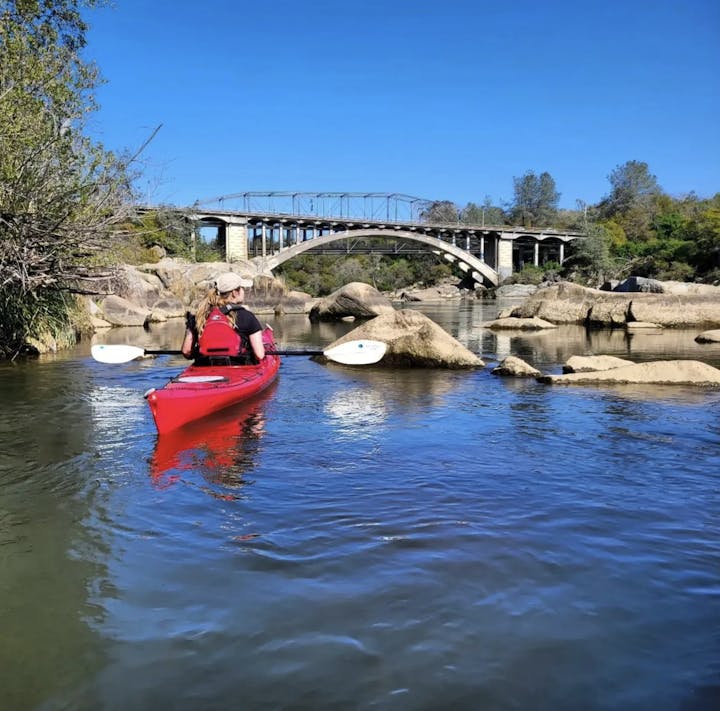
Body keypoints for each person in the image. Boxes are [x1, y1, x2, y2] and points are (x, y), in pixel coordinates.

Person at [182, 272, 265, 364]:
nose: (243, 291)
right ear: (235, 292)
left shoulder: (199, 315)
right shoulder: (247, 316)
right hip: (239, 368)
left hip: (204, 367)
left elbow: (186, 351)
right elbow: (259, 355)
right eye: (242, 288)